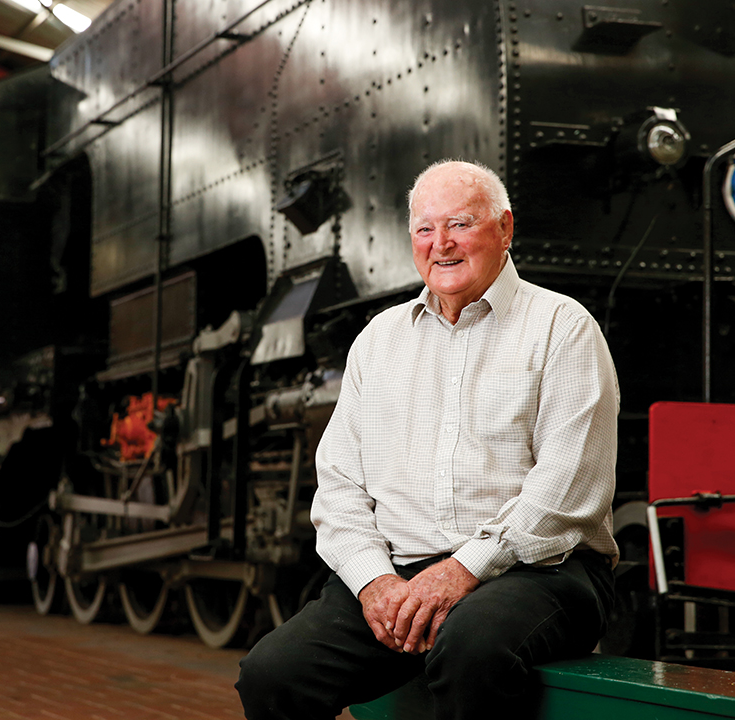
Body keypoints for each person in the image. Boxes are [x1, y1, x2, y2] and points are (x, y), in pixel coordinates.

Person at [237, 160, 620, 720]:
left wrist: (463, 569)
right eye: (425, 228)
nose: (441, 244)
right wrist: (374, 583)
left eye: (461, 224)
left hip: (542, 571)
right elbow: (339, 484)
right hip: (398, 573)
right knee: (272, 675)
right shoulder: (379, 340)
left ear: (505, 229)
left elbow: (566, 488)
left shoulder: (563, 327)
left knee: (470, 650)